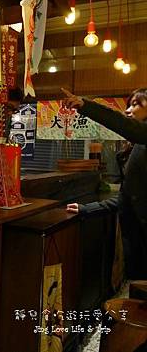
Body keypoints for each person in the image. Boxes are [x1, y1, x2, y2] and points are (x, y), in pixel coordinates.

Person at [63, 87, 147, 280]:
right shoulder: (139, 147)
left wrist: (85, 106)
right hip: (137, 247)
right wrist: (86, 209)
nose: (128, 111)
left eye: (136, 104)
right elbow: (128, 197)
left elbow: (126, 126)